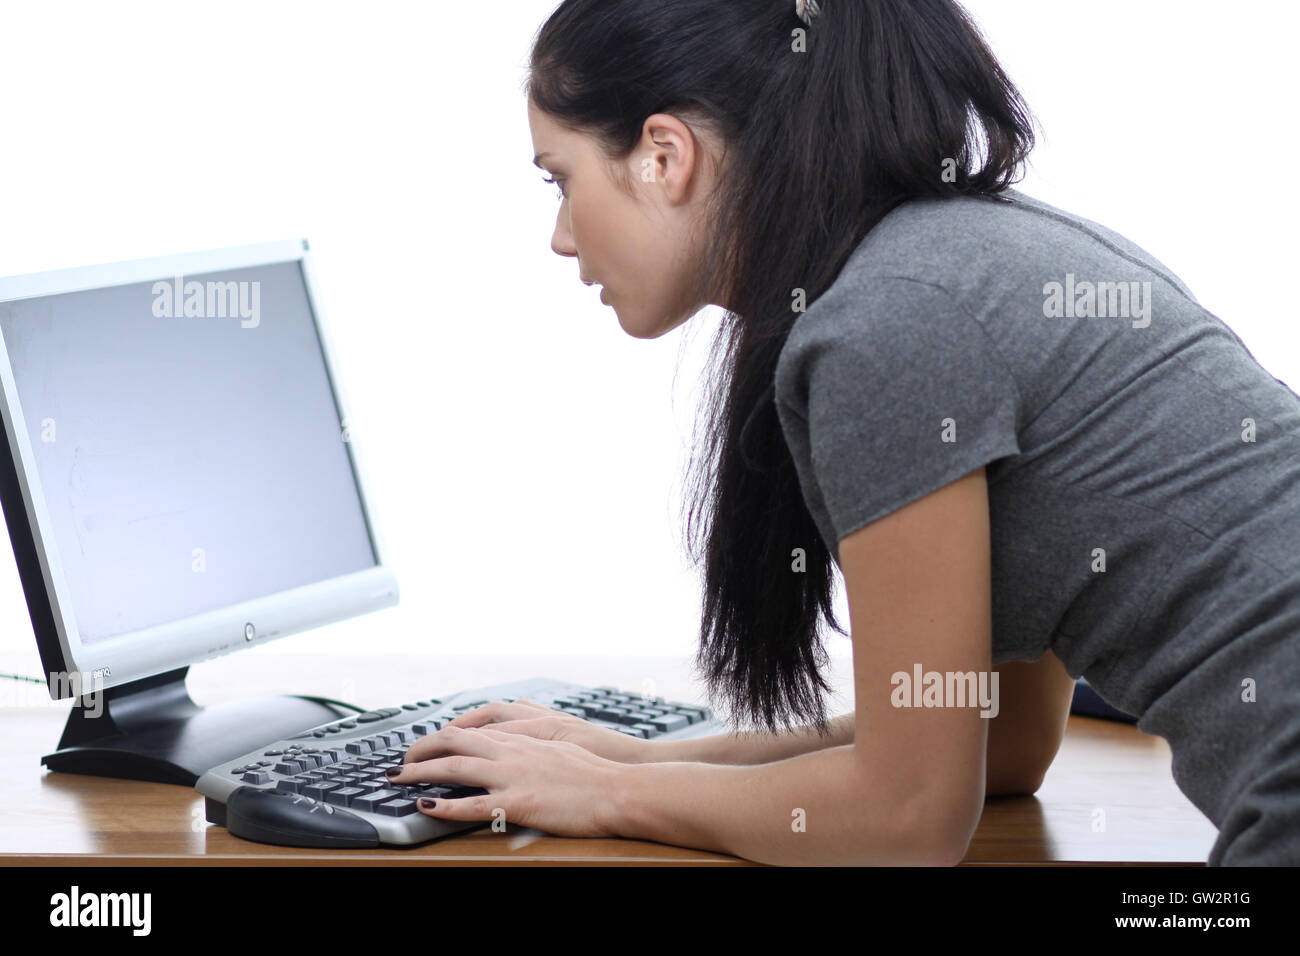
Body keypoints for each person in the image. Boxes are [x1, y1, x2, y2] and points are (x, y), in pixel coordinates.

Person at [387, 0, 1300, 866]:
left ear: (664, 155)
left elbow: (909, 821)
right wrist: (628, 762)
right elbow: (1002, 745)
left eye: (560, 180)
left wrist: (606, 798)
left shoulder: (886, 330)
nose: (559, 235)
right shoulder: (964, 259)